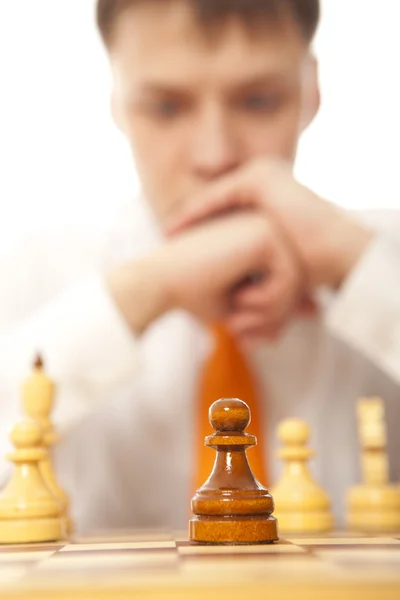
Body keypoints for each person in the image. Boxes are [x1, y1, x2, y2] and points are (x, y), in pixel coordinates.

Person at [0, 0, 399, 532]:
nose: (215, 156)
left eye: (258, 100)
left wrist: (358, 266)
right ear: (117, 101)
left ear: (311, 93)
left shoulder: (381, 256)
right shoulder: (39, 271)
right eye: (165, 107)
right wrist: (148, 287)